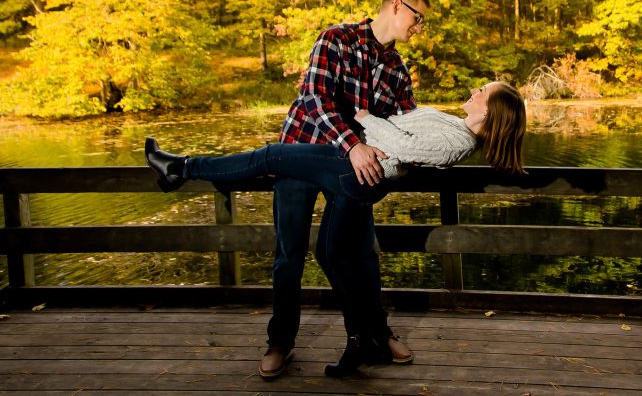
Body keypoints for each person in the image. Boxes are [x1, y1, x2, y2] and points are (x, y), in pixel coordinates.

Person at [145, 80, 527, 376]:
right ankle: (362, 341)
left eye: (484, 91)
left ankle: (181, 168)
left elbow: (405, 145)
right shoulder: (455, 125)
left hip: (354, 169)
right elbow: (404, 127)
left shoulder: (458, 142)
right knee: (331, 255)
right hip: (356, 164)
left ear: (491, 112)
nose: (476, 90)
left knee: (272, 156)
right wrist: (371, 122)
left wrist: (364, 118)